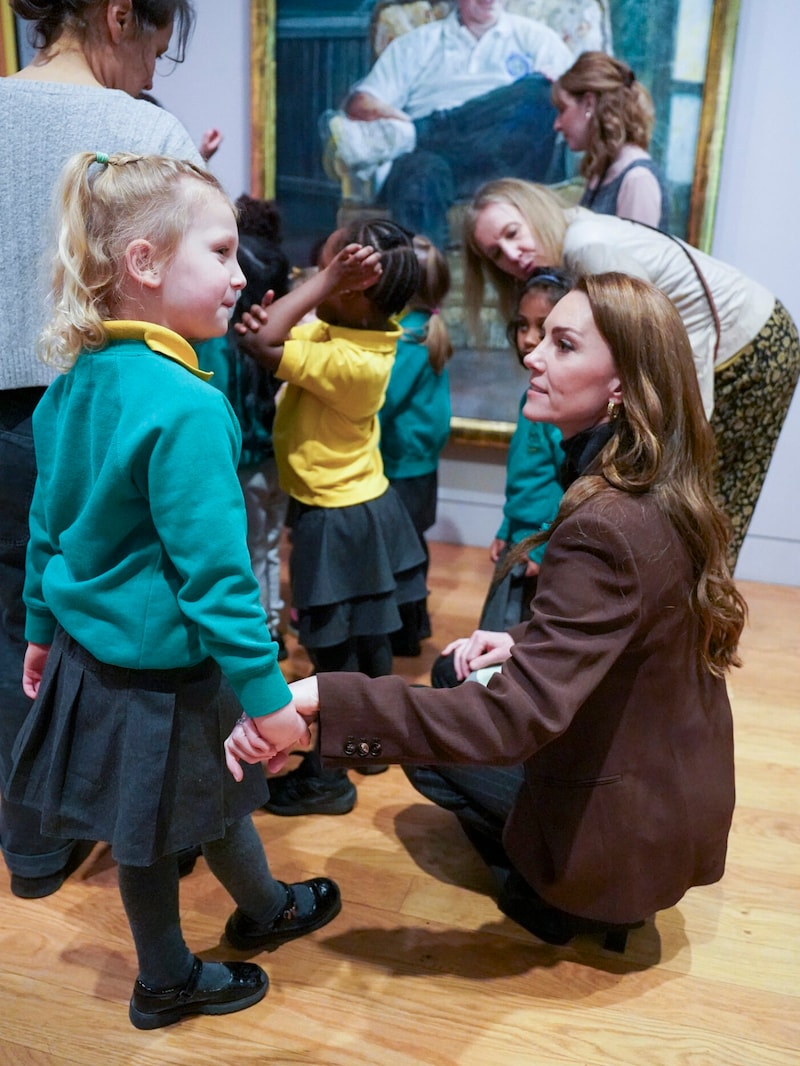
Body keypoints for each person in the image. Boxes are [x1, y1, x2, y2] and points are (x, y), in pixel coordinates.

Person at [229, 272, 747, 953]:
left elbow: (508, 726)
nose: (533, 354)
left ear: (621, 385)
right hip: (673, 800)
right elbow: (637, 625)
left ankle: (559, 893)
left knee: (431, 748)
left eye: (563, 345)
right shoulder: (660, 486)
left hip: (624, 830)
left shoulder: (606, 523)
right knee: (453, 672)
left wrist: (326, 698)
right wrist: (521, 639)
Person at [5, 151, 341, 1029]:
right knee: (158, 825)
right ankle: (165, 979)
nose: (241, 275)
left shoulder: (74, 379)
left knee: (201, 801)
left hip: (92, 655)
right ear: (146, 264)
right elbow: (219, 578)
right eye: (222, 253)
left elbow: (49, 524)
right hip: (164, 673)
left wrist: (41, 626)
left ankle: (263, 909)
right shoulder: (185, 403)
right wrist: (269, 698)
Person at [0, 0, 206, 900]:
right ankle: (149, 831)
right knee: (132, 632)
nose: (154, 71)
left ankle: (34, 853)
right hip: (104, 414)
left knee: (13, 628)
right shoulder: (141, 130)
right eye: (156, 47)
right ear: (120, 14)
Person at [462, 178, 800, 563]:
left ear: (534, 210)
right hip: (736, 345)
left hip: (751, 347)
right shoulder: (575, 243)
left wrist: (685, 429)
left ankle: (697, 615)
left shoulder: (585, 246)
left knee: (705, 501)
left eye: (512, 233)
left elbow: (643, 343)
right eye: (496, 253)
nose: (512, 254)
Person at [235, 217, 427, 813]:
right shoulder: (358, 331)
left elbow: (264, 343)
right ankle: (369, 745)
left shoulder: (353, 359)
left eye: (322, 272)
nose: (311, 281)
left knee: (332, 656)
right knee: (369, 639)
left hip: (335, 517)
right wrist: (299, 306)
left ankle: (327, 780)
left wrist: (308, 294)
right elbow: (268, 333)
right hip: (365, 507)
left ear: (348, 289)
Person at [331, 0, 573, 248]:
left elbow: (572, 98)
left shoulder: (538, 39)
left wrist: (415, 129)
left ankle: (416, 133)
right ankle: (423, 282)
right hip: (440, 162)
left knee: (540, 91)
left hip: (508, 162)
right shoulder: (417, 44)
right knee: (418, 172)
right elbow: (360, 103)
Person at [197, 194, 291, 660]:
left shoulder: (218, 346)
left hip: (243, 459)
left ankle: (263, 632)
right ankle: (273, 621)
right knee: (270, 544)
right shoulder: (275, 337)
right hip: (277, 450)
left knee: (248, 549)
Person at [479, 268, 568, 631]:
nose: (529, 339)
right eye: (522, 325)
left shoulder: (560, 409)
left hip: (540, 551)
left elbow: (569, 486)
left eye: (544, 329)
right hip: (518, 541)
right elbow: (526, 481)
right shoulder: (528, 398)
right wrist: (506, 526)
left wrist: (542, 548)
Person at [379, 234, 453, 657]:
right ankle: (412, 627)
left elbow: (384, 399)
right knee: (412, 546)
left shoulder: (408, 337)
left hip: (399, 464)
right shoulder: (428, 329)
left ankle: (402, 633)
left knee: (397, 553)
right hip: (420, 465)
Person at [552, 51, 669, 229]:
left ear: (589, 104)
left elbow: (635, 255)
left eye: (562, 110)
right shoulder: (604, 170)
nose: (557, 124)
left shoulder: (637, 180)